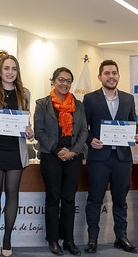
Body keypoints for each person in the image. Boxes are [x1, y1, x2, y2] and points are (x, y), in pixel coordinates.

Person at [83, 59, 138, 254]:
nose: (111, 76)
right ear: (100, 77)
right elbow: (83, 128)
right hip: (99, 158)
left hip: (122, 159)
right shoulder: (90, 99)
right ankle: (93, 238)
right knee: (95, 200)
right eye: (107, 73)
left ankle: (121, 238)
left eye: (114, 73)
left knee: (120, 200)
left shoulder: (128, 99)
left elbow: (133, 124)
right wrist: (90, 140)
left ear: (118, 76)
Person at [0, 55, 34, 257]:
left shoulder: (24, 93)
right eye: (7, 68)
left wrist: (30, 132)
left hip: (15, 151)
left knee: (12, 194)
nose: (10, 72)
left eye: (14, 69)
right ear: (0, 70)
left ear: (18, 72)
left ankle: (7, 237)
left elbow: (28, 123)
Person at [34, 67, 88, 256]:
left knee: (69, 200)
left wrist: (73, 151)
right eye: (61, 80)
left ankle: (69, 240)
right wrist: (58, 150)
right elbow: (39, 131)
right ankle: (53, 239)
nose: (64, 84)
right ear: (53, 81)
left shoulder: (79, 105)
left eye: (68, 81)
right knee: (53, 198)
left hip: (73, 157)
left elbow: (84, 131)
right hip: (51, 156)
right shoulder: (42, 103)